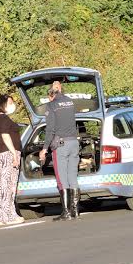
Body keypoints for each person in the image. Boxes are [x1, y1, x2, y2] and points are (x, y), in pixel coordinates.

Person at [39, 81, 81, 221]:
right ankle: (75, 210)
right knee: (73, 177)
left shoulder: (51, 106)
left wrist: (44, 149)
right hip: (74, 143)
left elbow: (50, 130)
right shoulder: (70, 102)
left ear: (51, 95)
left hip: (61, 146)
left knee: (62, 179)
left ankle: (66, 212)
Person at [0, 94, 24, 226]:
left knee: (3, 185)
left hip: (0, 153)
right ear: (3, 104)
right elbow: (5, 136)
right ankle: (9, 215)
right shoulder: (3, 118)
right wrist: (14, 154)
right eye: (10, 102)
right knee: (9, 185)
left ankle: (3, 215)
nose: (12, 105)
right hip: (8, 153)